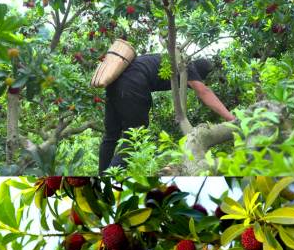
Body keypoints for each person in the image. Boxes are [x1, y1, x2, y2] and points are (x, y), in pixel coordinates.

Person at [98, 54, 235, 173]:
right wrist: (231, 118)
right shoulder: (187, 66)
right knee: (135, 135)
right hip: (133, 83)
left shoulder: (172, 59)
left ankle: (102, 174)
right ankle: (111, 175)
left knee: (111, 135)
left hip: (114, 82)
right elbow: (203, 92)